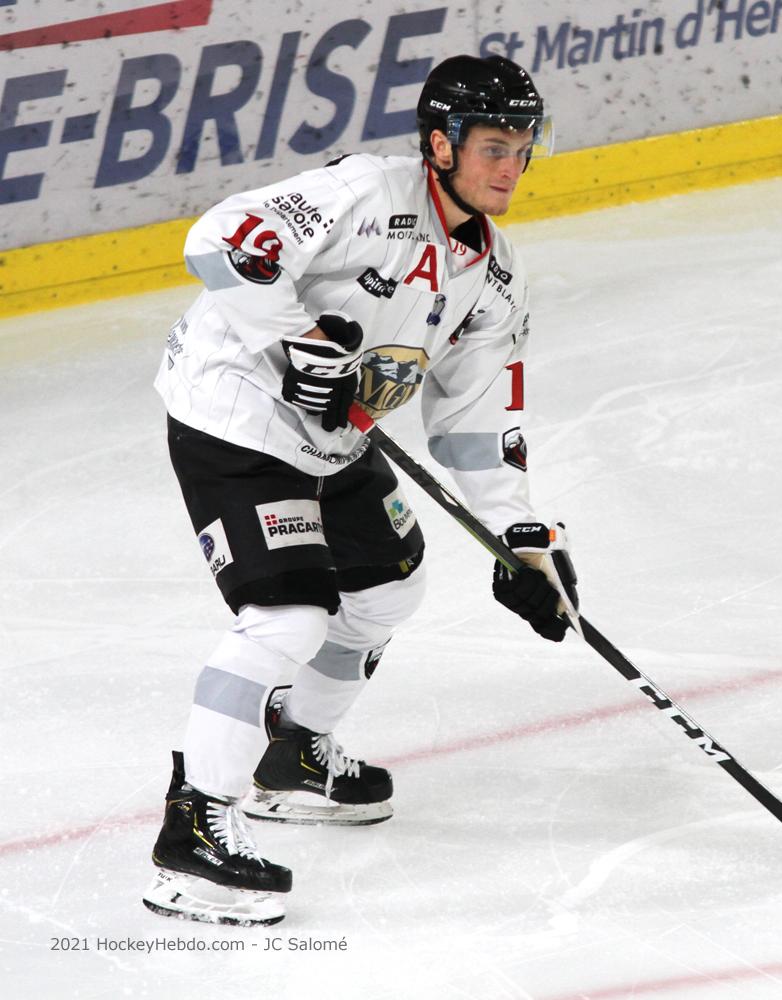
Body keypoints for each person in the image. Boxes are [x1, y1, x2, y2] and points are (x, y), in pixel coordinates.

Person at [142, 54, 579, 926]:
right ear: (439, 144)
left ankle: (294, 757)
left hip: (336, 441)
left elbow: (475, 423)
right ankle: (192, 836)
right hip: (236, 413)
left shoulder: (493, 277)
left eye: (523, 149)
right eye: (493, 146)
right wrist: (300, 338)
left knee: (387, 585)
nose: (510, 168)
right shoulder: (364, 195)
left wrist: (523, 538)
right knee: (287, 616)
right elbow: (219, 241)